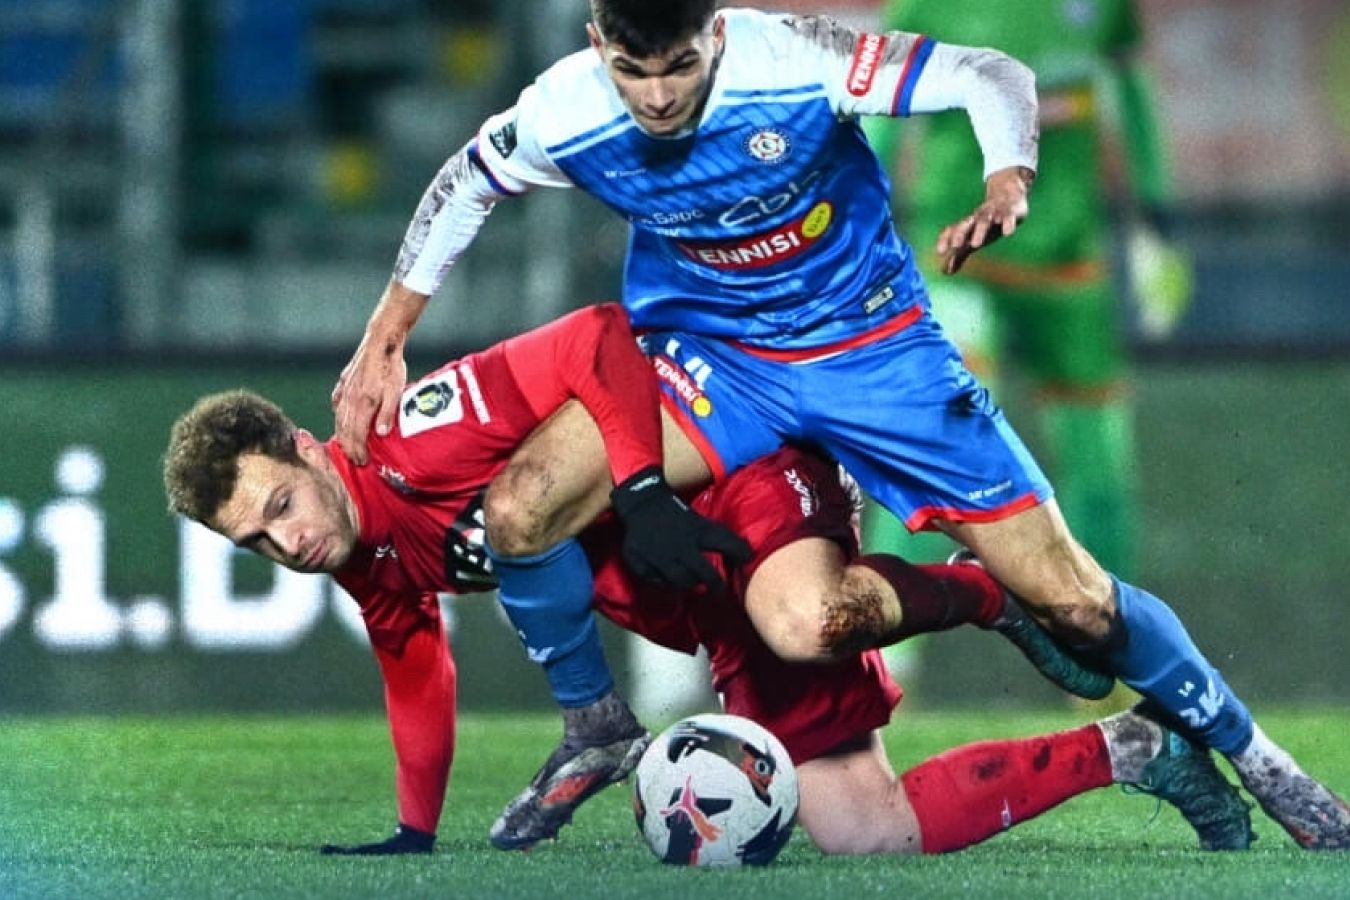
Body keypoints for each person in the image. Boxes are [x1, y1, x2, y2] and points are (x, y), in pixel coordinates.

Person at [328, 1, 1350, 849]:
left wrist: (1009, 174)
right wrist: (386, 335)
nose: (658, 95)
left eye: (679, 66)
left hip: (875, 352)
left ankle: (1263, 761)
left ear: (715, 33)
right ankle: (595, 726)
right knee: (521, 508)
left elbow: (990, 74)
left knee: (1076, 600)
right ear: (600, 45)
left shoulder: (795, 60)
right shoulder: (567, 109)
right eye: (634, 70)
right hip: (715, 364)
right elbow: (467, 181)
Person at [162, 362, 1260, 857]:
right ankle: (1135, 750)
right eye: (257, 542)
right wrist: (414, 833)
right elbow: (416, 670)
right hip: (693, 593)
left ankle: (980, 589)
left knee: (805, 617)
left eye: (281, 506)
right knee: (865, 834)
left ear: (307, 448)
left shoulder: (415, 430)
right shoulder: (361, 554)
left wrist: (643, 490)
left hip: (724, 478)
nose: (287, 544)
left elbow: (597, 342)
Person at [860, 0, 1193, 601]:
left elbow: (1131, 85)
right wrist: (858, 230)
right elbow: (880, 111)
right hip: (959, 263)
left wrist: (1156, 215)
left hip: (1069, 264)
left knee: (1100, 467)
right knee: (938, 444)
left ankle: (1113, 644)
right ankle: (886, 645)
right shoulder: (925, 5)